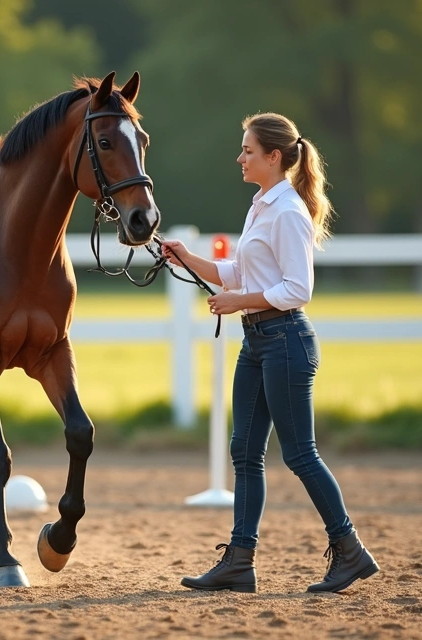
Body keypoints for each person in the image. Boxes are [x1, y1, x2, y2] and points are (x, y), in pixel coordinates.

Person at [161, 112, 378, 594]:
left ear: (273, 157)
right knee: (244, 452)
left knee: (300, 454)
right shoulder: (261, 205)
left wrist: (238, 302)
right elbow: (241, 272)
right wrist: (187, 258)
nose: (239, 158)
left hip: (286, 342)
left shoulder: (288, 212)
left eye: (248, 151)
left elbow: (298, 288)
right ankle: (239, 561)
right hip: (259, 343)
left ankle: (350, 550)